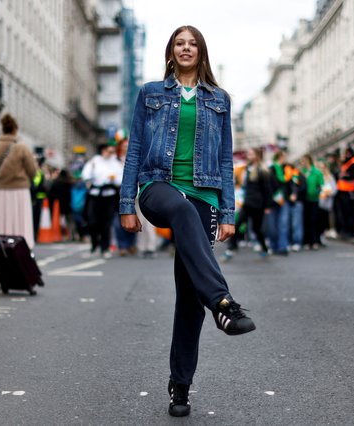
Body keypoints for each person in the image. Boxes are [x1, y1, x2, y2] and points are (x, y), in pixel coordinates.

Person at [119, 25, 256, 417]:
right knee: (178, 207)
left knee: (189, 295)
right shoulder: (150, 94)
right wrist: (127, 204)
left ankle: (180, 386)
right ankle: (224, 302)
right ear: (170, 51)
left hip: (205, 194)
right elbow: (134, 151)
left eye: (192, 43)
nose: (185, 48)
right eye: (179, 43)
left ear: (201, 52)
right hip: (159, 187)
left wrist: (228, 212)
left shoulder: (219, 99)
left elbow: (227, 158)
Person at [0, 114, 38, 249]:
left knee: (1, 222)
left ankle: (0, 248)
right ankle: (23, 249)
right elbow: (32, 171)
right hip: (19, 190)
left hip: (0, 191)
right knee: (20, 224)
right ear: (15, 129)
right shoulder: (22, 148)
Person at [225, 147, 272, 259]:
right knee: (241, 224)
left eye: (251, 154)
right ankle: (232, 248)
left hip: (256, 204)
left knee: (255, 228)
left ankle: (263, 249)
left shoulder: (262, 170)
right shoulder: (246, 169)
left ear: (257, 156)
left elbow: (267, 190)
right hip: (248, 202)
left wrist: (267, 206)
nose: (248, 156)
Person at [82, 141, 123, 258]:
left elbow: (121, 177)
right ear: (103, 151)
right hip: (95, 195)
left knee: (107, 223)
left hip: (109, 195)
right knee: (92, 221)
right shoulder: (94, 161)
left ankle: (105, 248)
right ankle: (94, 245)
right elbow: (85, 174)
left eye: (112, 151)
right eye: (108, 151)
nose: (110, 154)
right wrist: (91, 178)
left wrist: (113, 179)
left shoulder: (116, 163)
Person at [267, 150, 292, 255]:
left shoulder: (288, 169)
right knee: (272, 225)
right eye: (284, 157)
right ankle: (273, 245)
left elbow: (291, 182)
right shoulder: (272, 169)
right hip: (273, 200)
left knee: (283, 223)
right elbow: (269, 184)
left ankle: (283, 246)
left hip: (284, 199)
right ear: (279, 157)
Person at [334, 147, 354, 239]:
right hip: (342, 190)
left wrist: (344, 176)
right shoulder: (345, 163)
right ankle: (346, 230)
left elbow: (352, 175)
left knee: (350, 212)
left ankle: (352, 230)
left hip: (349, 190)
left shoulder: (353, 162)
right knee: (344, 212)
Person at [300, 154, 325, 249]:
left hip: (314, 199)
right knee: (305, 220)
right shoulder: (301, 172)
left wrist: (317, 192)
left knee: (313, 220)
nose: (302, 163)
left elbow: (321, 185)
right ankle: (307, 241)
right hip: (304, 199)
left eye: (303, 161)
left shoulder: (316, 172)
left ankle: (314, 241)